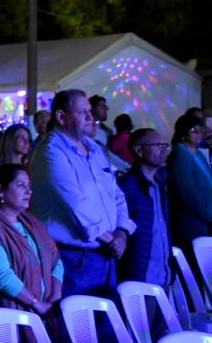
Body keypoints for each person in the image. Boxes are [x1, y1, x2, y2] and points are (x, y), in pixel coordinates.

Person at [30, 89, 136, 299]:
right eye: (82, 112)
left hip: (106, 253)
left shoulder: (94, 149)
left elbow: (116, 194)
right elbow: (75, 204)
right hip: (76, 259)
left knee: (106, 326)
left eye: (90, 111)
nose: (91, 117)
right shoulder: (51, 151)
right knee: (81, 328)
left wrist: (122, 232)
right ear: (61, 117)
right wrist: (112, 239)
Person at [0, 164, 63, 313]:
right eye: (21, 185)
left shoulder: (32, 224)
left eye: (29, 185)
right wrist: (36, 304)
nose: (29, 191)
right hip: (6, 315)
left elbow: (56, 260)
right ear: (0, 190)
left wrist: (55, 296)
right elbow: (2, 276)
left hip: (45, 307)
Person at [118, 128, 172, 285]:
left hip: (163, 273)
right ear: (139, 150)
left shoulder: (160, 184)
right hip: (140, 276)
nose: (164, 150)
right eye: (157, 145)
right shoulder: (127, 186)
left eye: (164, 145)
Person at [167, 113, 212, 264]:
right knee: (195, 262)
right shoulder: (180, 155)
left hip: (205, 217)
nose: (199, 134)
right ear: (183, 134)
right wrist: (208, 216)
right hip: (192, 220)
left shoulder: (198, 153)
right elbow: (188, 194)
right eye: (194, 130)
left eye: (200, 130)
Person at [90, 95, 130, 173]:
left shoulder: (108, 131)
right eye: (102, 106)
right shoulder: (90, 132)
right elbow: (107, 155)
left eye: (106, 106)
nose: (106, 108)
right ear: (92, 108)